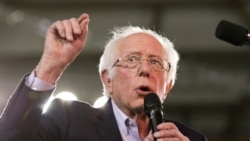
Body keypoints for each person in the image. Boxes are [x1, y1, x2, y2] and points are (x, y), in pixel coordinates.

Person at [0, 13, 207, 141]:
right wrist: (50, 65)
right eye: (132, 59)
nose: (145, 70)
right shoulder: (68, 120)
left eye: (155, 62)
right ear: (108, 80)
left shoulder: (191, 138)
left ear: (168, 85)